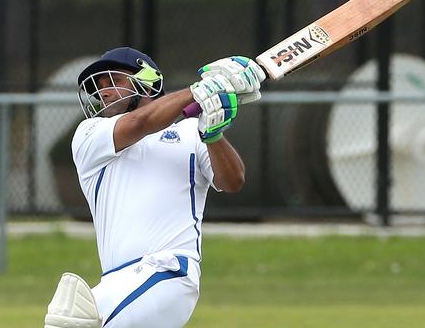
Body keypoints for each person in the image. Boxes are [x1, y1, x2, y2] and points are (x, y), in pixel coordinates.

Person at [44, 47, 265, 328]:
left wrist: (214, 135)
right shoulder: (90, 135)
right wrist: (202, 90)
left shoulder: (191, 131)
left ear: (147, 81)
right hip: (117, 278)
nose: (104, 92)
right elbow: (143, 122)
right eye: (99, 87)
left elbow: (233, 181)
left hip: (169, 270)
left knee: (73, 325)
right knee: (63, 320)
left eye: (115, 81)